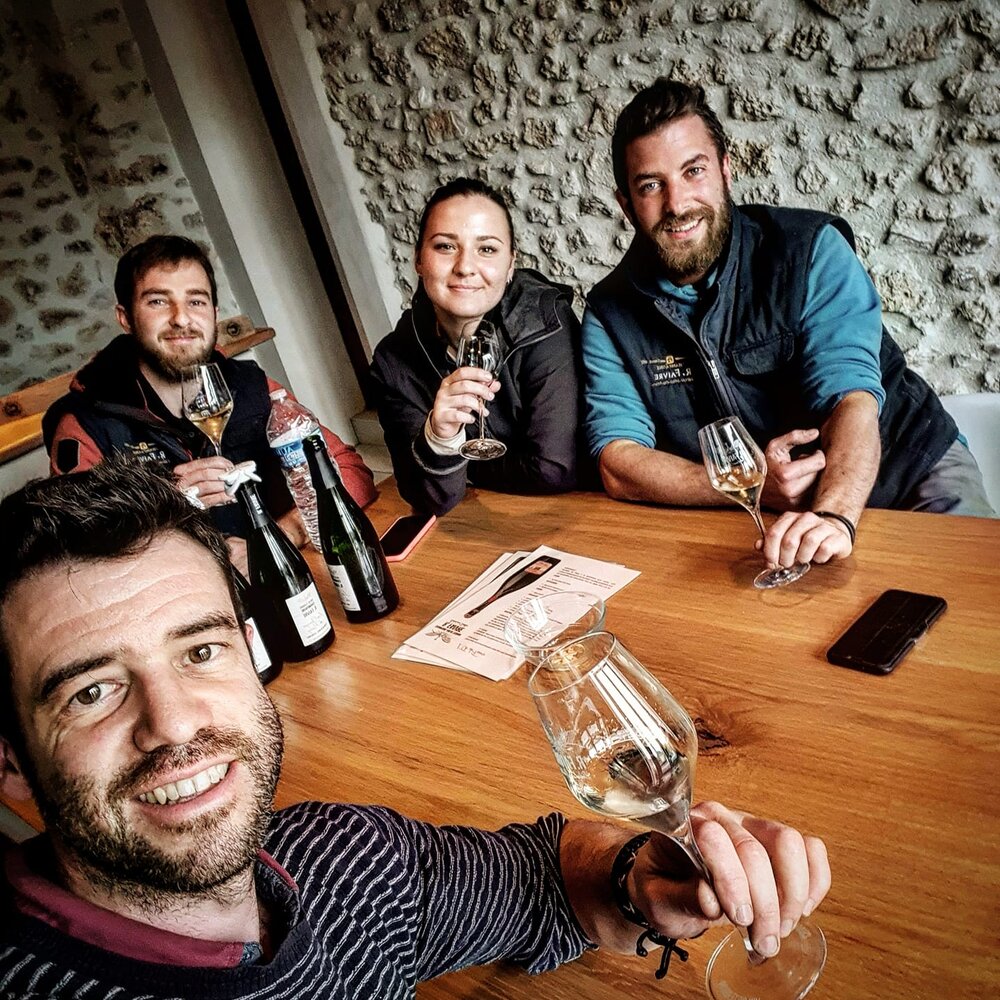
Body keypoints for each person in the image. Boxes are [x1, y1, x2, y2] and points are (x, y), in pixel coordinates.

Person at [0, 463, 830, 1000]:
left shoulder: (341, 862)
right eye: (92, 692)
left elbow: (539, 880)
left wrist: (638, 878)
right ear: (8, 761)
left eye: (202, 650)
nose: (175, 719)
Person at [583, 79, 995, 570]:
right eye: (651, 185)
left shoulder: (809, 249)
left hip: (912, 474)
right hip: (768, 519)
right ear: (626, 204)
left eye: (693, 171)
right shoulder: (609, 311)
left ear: (725, 169)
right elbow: (620, 461)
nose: (677, 203)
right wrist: (749, 485)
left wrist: (834, 516)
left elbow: (852, 399)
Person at [42, 235, 377, 568]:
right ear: (126, 317)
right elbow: (75, 558)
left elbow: (349, 471)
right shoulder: (85, 422)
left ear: (214, 313)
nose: (181, 318)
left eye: (196, 301)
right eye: (158, 301)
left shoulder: (252, 386)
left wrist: (282, 535)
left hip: (281, 579)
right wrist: (165, 505)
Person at [370, 178, 589, 516]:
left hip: (572, 512)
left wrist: (461, 464)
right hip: (478, 519)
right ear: (418, 260)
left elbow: (554, 469)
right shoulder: (393, 362)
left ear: (511, 264)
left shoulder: (544, 323)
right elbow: (430, 500)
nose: (465, 267)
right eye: (445, 246)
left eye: (486, 249)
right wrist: (440, 436)